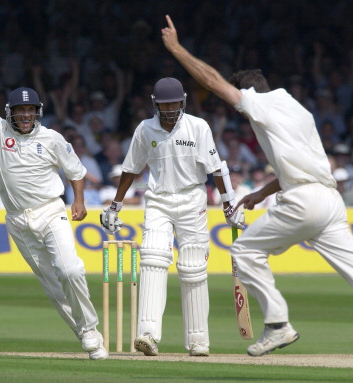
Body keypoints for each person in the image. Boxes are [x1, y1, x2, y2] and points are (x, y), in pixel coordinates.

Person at [161, 14, 353, 357]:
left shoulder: (260, 104)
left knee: (245, 251)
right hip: (330, 203)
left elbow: (213, 81)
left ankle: (278, 324)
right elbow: (300, 164)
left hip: (304, 202)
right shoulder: (298, 109)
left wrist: (176, 49)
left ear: (247, 92)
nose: (242, 114)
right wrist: (262, 192)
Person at [0, 37, 108, 360]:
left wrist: (79, 201)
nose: (26, 116)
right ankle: (88, 336)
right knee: (52, 285)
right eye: (21, 111)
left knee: (70, 269)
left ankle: (90, 327)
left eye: (31, 110)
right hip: (18, 220)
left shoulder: (52, 138)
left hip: (51, 211)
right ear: (10, 113)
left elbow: (76, 171)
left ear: (38, 112)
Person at [100, 77, 245, 357]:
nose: (170, 108)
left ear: (183, 101)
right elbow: (131, 169)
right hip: (159, 199)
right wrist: (116, 205)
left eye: (174, 102)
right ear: (155, 103)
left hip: (193, 200)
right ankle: (147, 334)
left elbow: (217, 168)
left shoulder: (198, 127)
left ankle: (198, 340)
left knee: (193, 268)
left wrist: (229, 206)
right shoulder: (145, 129)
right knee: (153, 258)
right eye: (164, 103)